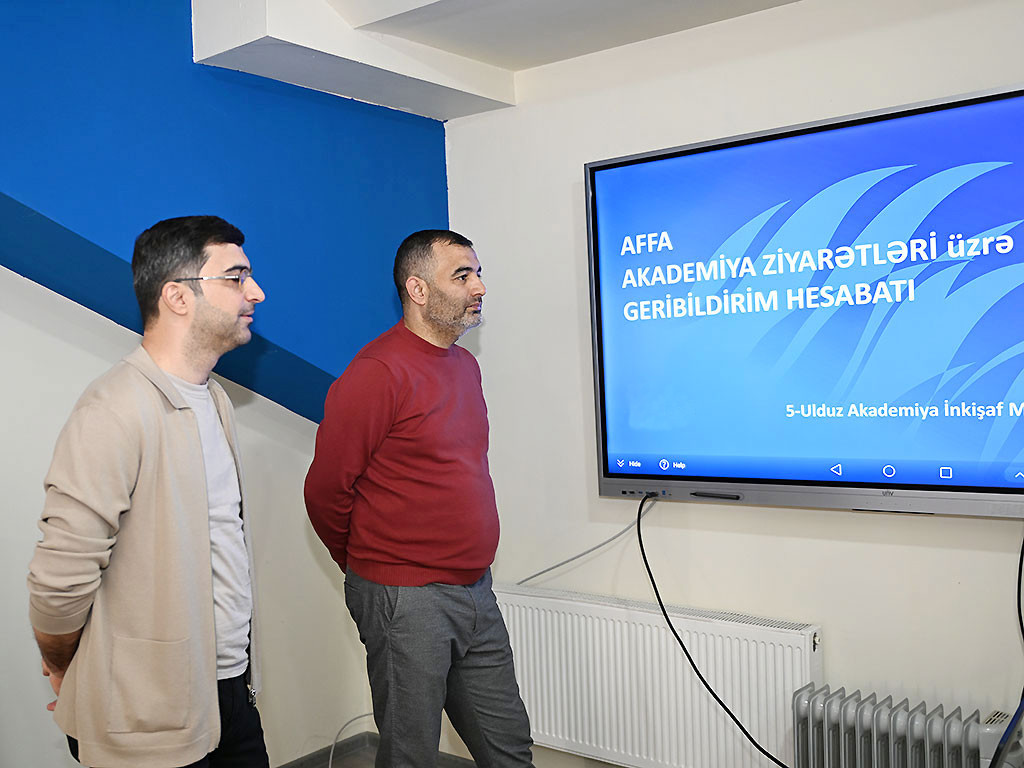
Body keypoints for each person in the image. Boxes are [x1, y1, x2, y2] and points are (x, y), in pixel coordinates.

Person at [27, 216, 270, 768]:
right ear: (177, 296)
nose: (256, 292)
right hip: (151, 714)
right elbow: (60, 579)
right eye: (236, 277)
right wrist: (66, 664)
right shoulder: (114, 408)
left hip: (229, 689)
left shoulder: (216, 400)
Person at [304, 230, 534, 767]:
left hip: (475, 590)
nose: (479, 287)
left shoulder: (465, 366)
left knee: (509, 747)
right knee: (411, 754)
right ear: (418, 289)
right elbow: (326, 489)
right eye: (462, 275)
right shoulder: (378, 372)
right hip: (405, 598)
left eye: (478, 273)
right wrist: (369, 566)